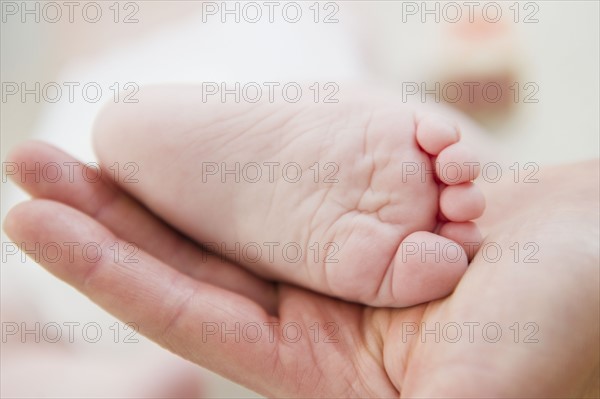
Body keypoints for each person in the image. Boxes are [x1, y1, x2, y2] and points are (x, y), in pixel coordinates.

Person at [4, 85, 599, 397]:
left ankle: (87, 384)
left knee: (18, 322)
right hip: (280, 87)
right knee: (474, 183)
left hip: (96, 224)